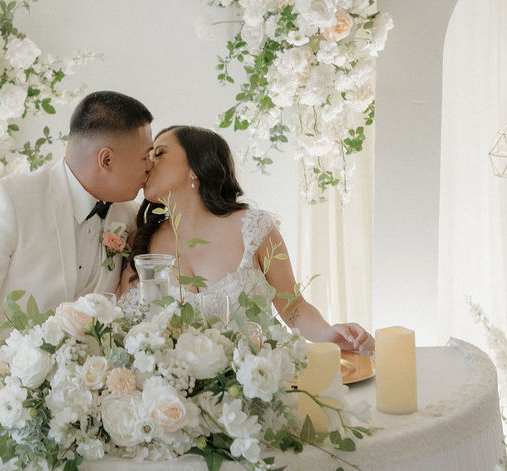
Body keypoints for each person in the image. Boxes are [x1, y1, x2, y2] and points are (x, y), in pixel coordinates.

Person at [119, 125, 375, 354]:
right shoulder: (140, 241)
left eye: (159, 153)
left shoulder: (254, 228)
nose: (148, 163)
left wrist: (328, 334)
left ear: (196, 168)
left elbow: (293, 306)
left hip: (257, 385)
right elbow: (125, 329)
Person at [0, 90, 153, 360]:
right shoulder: (6, 203)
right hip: (3, 385)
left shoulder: (129, 215)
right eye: (145, 157)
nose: (150, 167)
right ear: (106, 160)